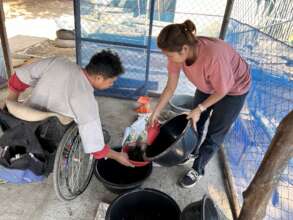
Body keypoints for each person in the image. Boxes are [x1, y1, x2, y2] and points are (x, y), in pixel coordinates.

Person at [149, 20, 251, 188]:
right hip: (209, 84)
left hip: (234, 89)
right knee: (195, 121)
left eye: (169, 55)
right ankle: (191, 151)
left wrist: (200, 108)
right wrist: (155, 112)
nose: (168, 59)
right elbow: (170, 87)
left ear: (184, 49)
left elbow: (222, 91)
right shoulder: (177, 53)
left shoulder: (212, 56)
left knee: (215, 133)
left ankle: (198, 168)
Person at [3, 49, 134, 167]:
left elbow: (18, 78)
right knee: (83, 126)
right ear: (99, 78)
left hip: (22, 121)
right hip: (48, 136)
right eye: (111, 81)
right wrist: (118, 156)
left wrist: (11, 104)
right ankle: (65, 155)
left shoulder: (58, 62)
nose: (112, 84)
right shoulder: (86, 100)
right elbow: (96, 148)